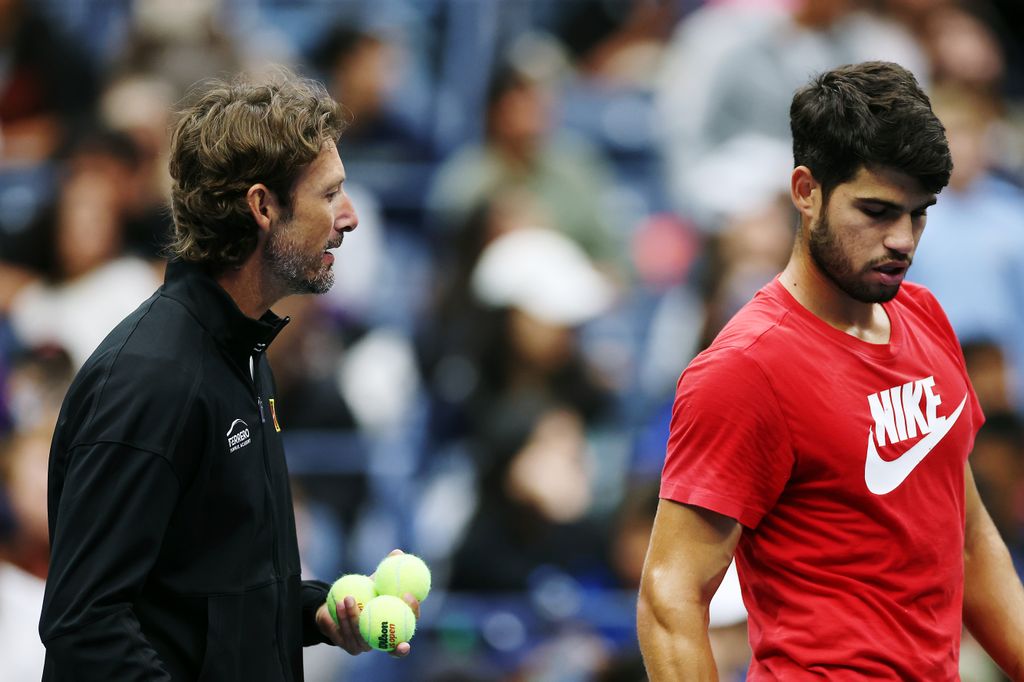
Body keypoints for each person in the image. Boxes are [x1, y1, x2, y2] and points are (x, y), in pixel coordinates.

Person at [637, 61, 1024, 680]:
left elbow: (973, 542)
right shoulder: (744, 369)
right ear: (805, 190)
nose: (903, 239)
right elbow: (670, 597)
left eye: (917, 213)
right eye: (876, 211)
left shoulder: (927, 318)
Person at [38, 70, 418, 680]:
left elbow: (210, 594)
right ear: (263, 206)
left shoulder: (240, 353)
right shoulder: (150, 380)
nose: (349, 217)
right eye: (329, 194)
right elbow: (85, 626)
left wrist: (318, 611)